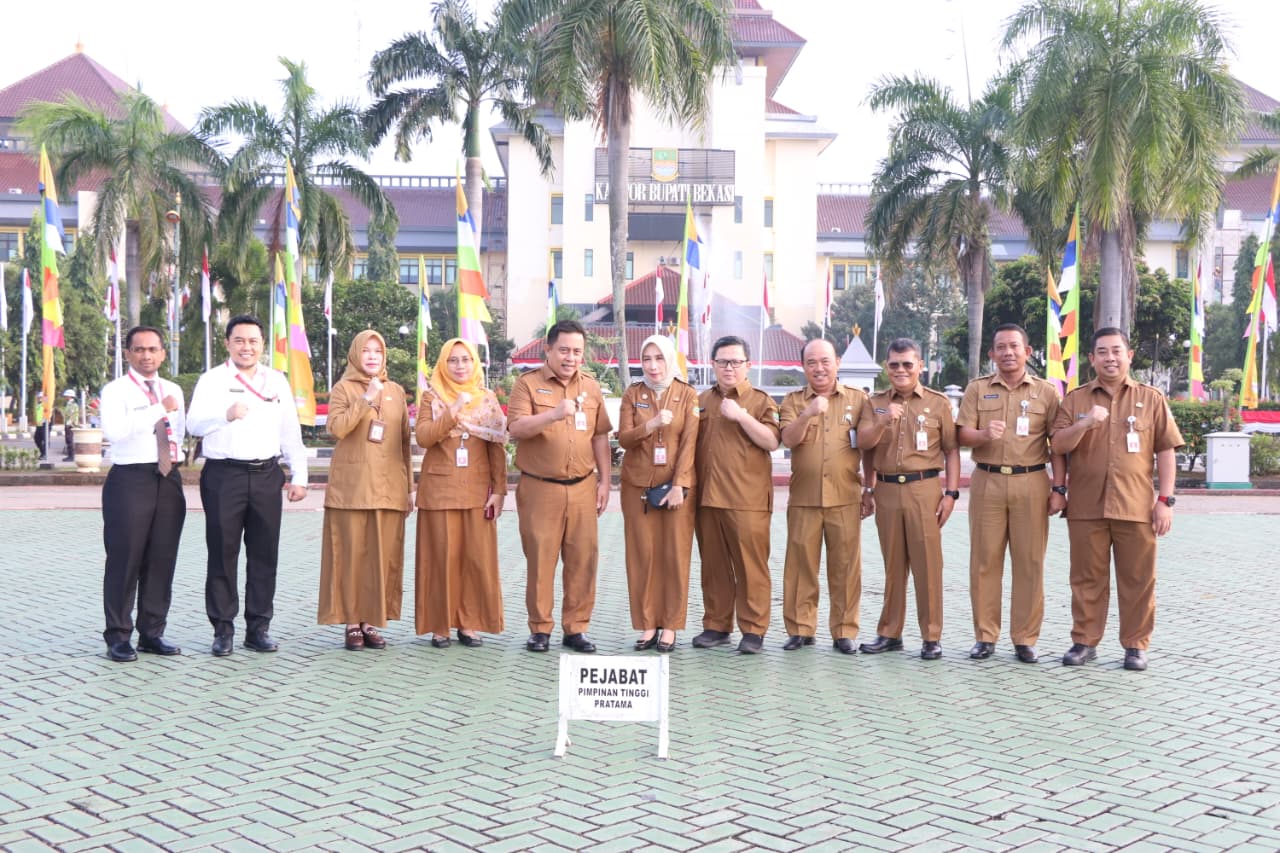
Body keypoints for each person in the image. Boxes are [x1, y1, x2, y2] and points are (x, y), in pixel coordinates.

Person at [1050, 327, 1184, 671]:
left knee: (1138, 579)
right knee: (1086, 579)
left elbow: (1166, 450)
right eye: (1102, 352)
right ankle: (1084, 641)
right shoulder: (1076, 399)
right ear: (1091, 358)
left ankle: (1135, 646)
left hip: (1135, 505)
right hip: (1086, 506)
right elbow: (1058, 446)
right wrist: (1084, 425)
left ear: (1129, 356)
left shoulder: (1151, 398)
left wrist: (1165, 500)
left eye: (1116, 351)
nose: (1110, 358)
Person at [187, 315, 308, 656]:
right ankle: (222, 629)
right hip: (225, 476)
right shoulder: (213, 380)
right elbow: (194, 424)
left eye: (253, 341)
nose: (247, 347)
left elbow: (290, 432)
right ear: (227, 343)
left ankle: (258, 628)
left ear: (262, 345)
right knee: (223, 553)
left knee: (264, 554)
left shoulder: (276, 381)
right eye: (239, 340)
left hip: (267, 475)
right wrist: (224, 414)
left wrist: (299, 476)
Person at [956, 324, 1064, 664]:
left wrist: (1059, 487)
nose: (1007, 352)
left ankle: (1025, 638)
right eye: (1000, 347)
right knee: (985, 561)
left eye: (1014, 346)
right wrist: (984, 434)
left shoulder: (1046, 393)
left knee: (1030, 562)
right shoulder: (977, 390)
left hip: (1031, 482)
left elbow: (1057, 445)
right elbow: (962, 435)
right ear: (991, 354)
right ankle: (985, 636)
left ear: (1027, 352)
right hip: (987, 480)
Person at [507, 320, 612, 653]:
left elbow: (599, 436)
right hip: (540, 487)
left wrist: (605, 482)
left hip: (583, 486)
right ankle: (540, 629)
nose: (571, 357)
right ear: (548, 350)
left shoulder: (592, 387)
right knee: (541, 559)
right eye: (564, 350)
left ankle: (575, 628)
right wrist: (552, 415)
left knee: (583, 559)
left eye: (577, 351)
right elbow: (517, 428)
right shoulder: (527, 384)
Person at [858, 338, 960, 660]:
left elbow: (951, 450)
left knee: (928, 565)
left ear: (920, 366)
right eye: (894, 365)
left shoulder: (938, 403)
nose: (900, 370)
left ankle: (931, 637)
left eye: (907, 364)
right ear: (886, 367)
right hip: (886, 489)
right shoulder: (873, 403)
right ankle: (890, 633)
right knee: (893, 565)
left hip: (924, 489)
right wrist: (883, 420)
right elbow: (864, 445)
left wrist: (951, 494)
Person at [317, 330, 411, 651]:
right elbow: (337, 428)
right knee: (352, 556)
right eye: (366, 351)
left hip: (389, 489)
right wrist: (366, 399)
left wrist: (408, 489)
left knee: (380, 558)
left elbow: (403, 444)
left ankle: (370, 621)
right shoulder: (343, 389)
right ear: (356, 354)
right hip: (352, 490)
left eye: (378, 352)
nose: (372, 357)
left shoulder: (397, 392)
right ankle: (351, 622)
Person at [779, 338, 872, 655]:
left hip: (845, 496)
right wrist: (807, 414)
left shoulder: (858, 400)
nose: (819, 368)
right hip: (804, 497)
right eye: (811, 362)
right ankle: (800, 629)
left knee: (846, 567)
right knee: (800, 566)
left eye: (825, 361)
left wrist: (869, 487)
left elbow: (868, 447)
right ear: (803, 366)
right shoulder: (793, 401)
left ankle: (844, 631)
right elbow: (788, 440)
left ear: (838, 362)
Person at [98, 326, 186, 662]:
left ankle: (152, 632)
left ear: (164, 353)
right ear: (128, 354)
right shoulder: (116, 391)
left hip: (167, 478)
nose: (146, 355)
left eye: (153, 349)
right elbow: (117, 432)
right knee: (125, 558)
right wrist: (158, 409)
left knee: (161, 558)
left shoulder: (173, 388)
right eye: (139, 349)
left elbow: (176, 432)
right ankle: (118, 635)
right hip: (130, 479)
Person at [415, 337, 508, 648]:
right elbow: (425, 438)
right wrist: (452, 410)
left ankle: (469, 623)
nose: (459, 366)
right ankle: (439, 625)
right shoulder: (432, 397)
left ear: (475, 363)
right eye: (453, 360)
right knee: (441, 558)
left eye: (465, 360)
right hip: (440, 489)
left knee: (474, 559)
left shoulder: (487, 398)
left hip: (478, 490)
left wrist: (500, 490)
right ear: (443, 363)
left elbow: (496, 446)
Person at [692, 336, 781, 655]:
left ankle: (754, 629)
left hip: (748, 500)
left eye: (735, 362)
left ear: (748, 365)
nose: (729, 368)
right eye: (723, 362)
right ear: (713, 364)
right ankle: (716, 625)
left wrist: (742, 416)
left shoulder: (760, 401)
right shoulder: (701, 400)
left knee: (751, 568)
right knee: (713, 567)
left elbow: (772, 441)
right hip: (708, 498)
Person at [617, 334, 698, 653]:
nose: (652, 366)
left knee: (674, 557)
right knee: (641, 556)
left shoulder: (687, 395)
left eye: (659, 358)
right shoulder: (632, 394)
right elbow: (623, 439)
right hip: (638, 487)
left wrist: (679, 484)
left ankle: (671, 625)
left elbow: (690, 444)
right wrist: (648, 426)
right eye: (647, 359)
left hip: (674, 489)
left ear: (670, 359)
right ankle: (647, 623)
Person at [61, 390, 78, 461]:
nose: (65, 397)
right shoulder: (69, 404)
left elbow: (72, 416)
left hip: (70, 424)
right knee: (68, 440)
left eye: (66, 396)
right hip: (68, 424)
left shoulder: (73, 405)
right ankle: (70, 455)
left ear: (70, 396)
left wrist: (69, 424)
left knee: (69, 440)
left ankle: (71, 456)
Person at [32, 393, 47, 460]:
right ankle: (43, 453)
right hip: (39, 425)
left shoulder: (45, 405)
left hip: (44, 424)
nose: (39, 398)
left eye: (40, 397)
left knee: (45, 440)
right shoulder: (38, 405)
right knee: (37, 439)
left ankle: (44, 454)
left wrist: (45, 399)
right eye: (38, 397)